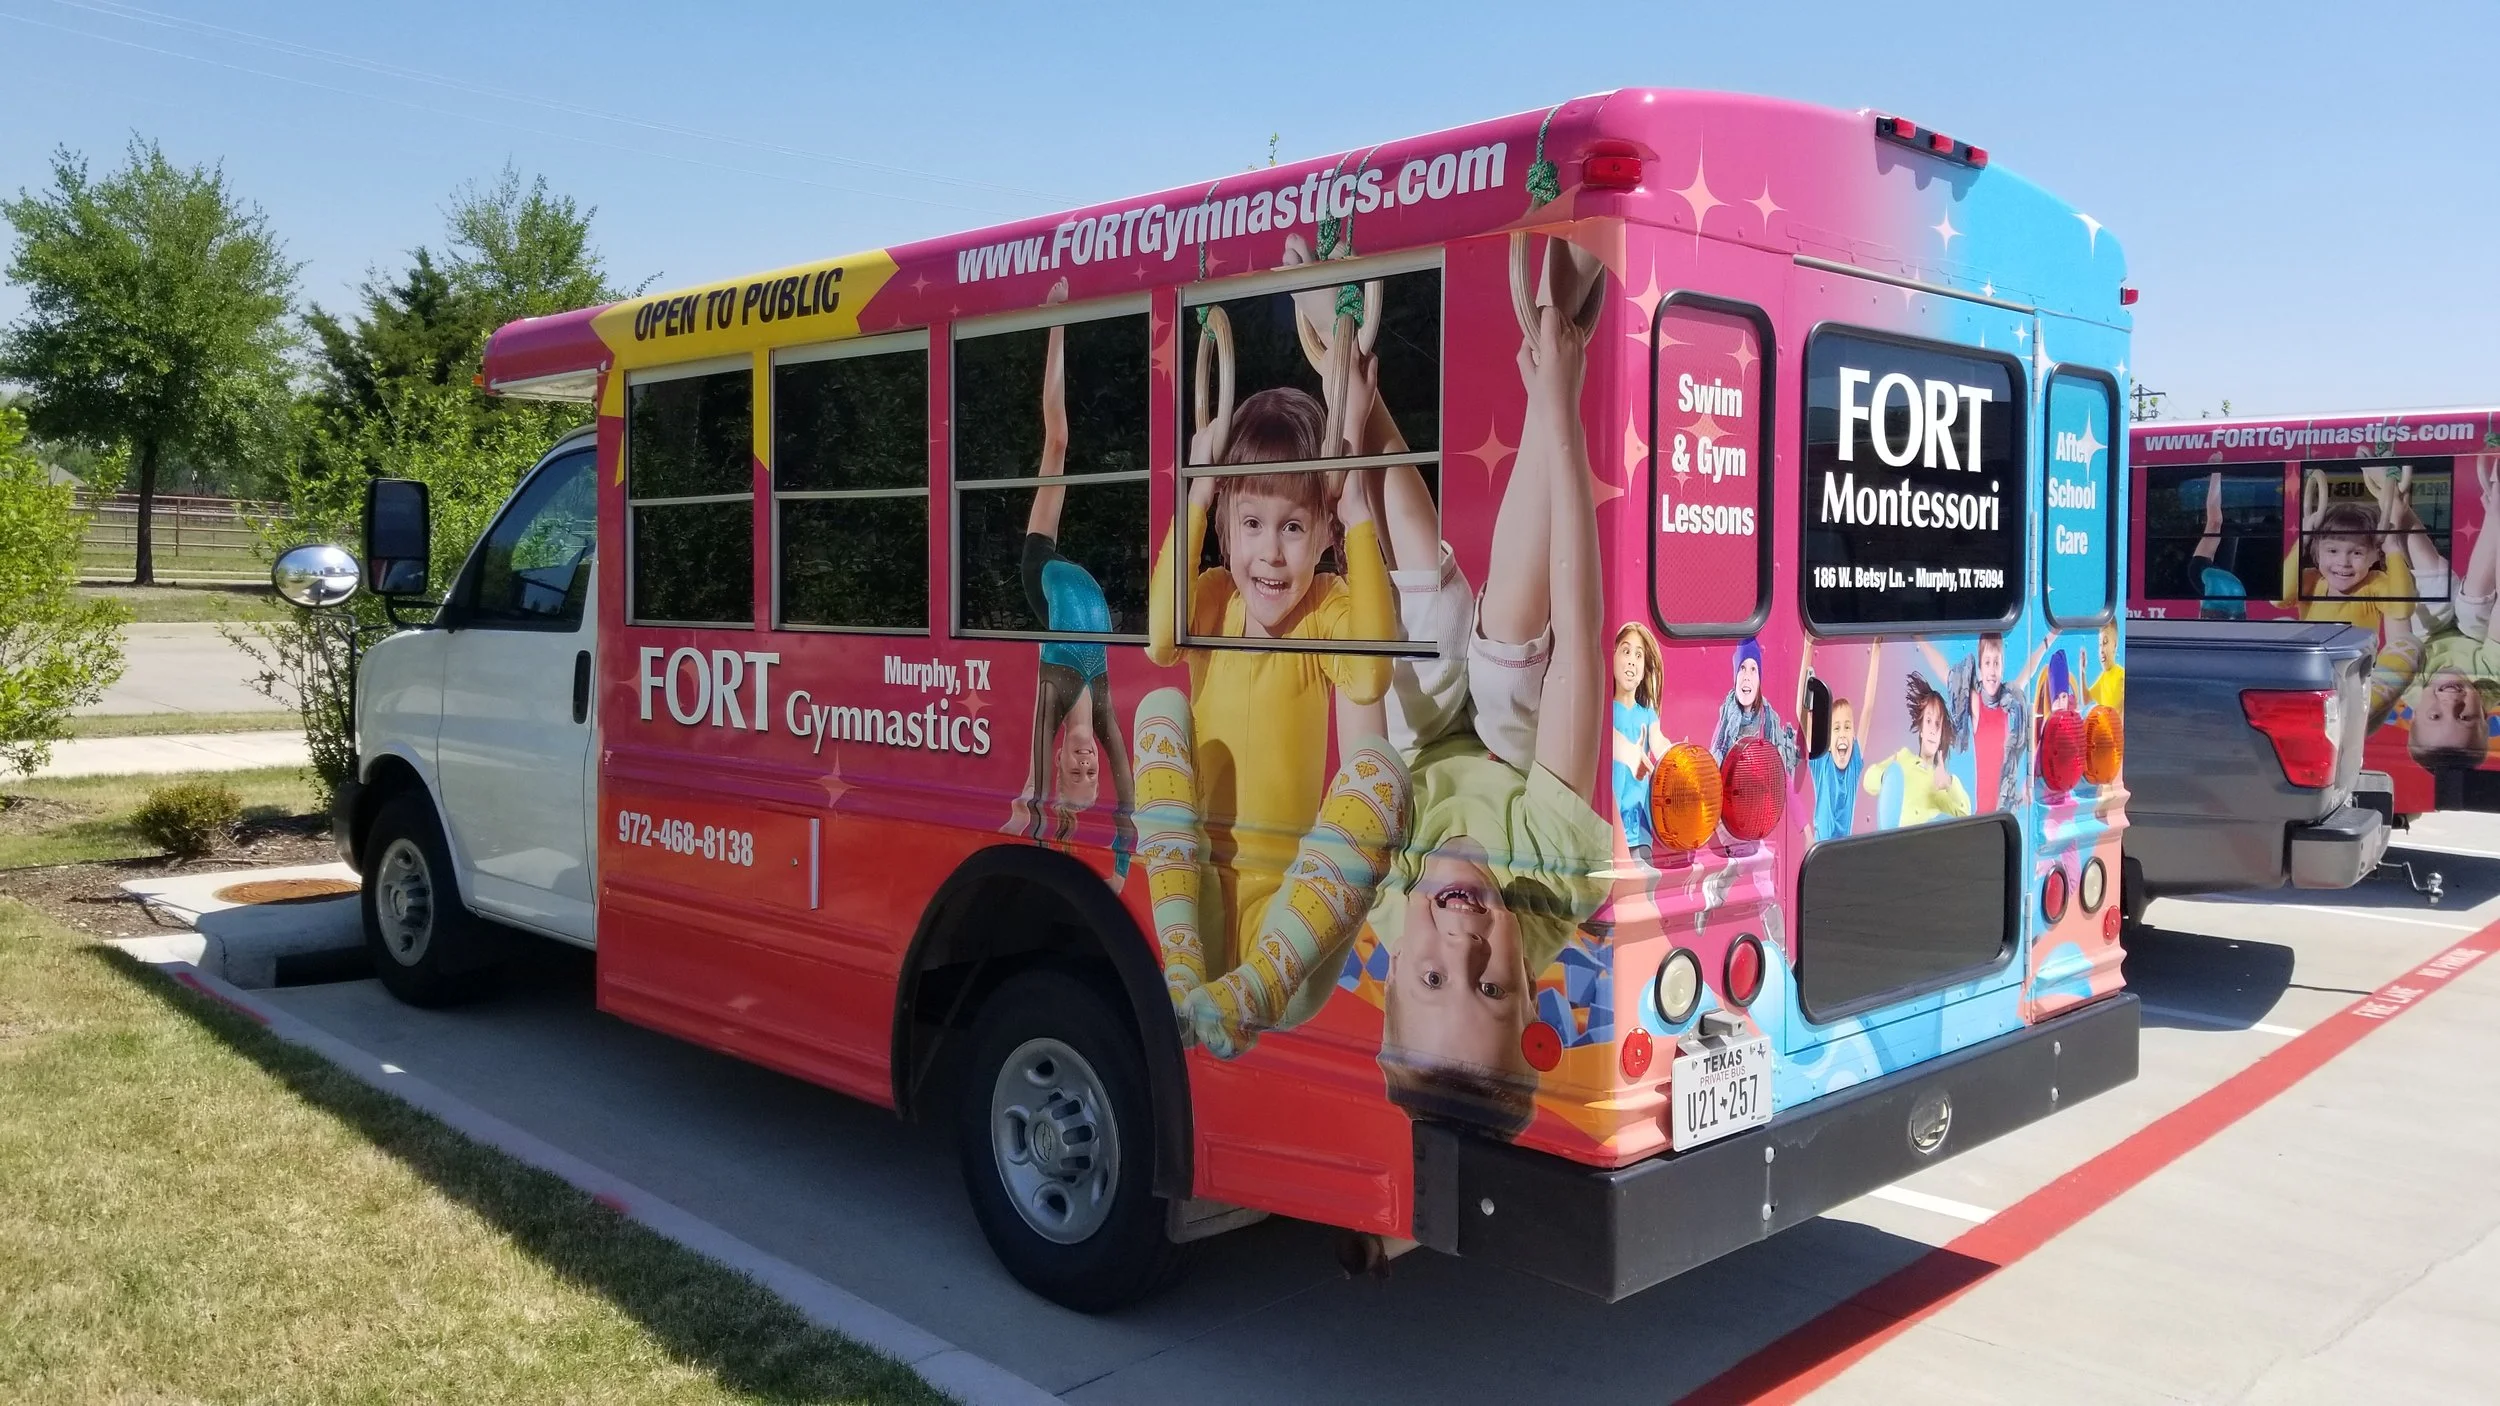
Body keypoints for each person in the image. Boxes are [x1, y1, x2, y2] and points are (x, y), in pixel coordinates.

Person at [1134, 262, 1404, 1039]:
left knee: (1381, 774)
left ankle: (1251, 988)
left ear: (1321, 535)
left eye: (1294, 527)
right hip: (1203, 913)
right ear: (1226, 531)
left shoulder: (1327, 614)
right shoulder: (1212, 599)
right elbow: (1159, 641)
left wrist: (1356, 513)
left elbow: (1371, 668)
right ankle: (1186, 974)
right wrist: (1196, 491)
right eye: (1252, 525)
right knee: (1159, 704)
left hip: (1295, 930)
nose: (1272, 556)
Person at [1008, 288, 1136, 876]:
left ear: (1060, 758)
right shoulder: (1106, 716)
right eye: (1094, 772)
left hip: (1043, 573)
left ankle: (1055, 322)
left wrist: (1031, 815)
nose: (1088, 764)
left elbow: (1031, 792)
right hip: (1085, 586)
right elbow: (1129, 806)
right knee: (1064, 442)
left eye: (1076, 771)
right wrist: (1117, 874)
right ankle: (1060, 320)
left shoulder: (1052, 702)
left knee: (1055, 442)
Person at [2277, 469, 2419, 647]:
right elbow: (2279, 600)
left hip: (2356, 669)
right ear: (2317, 553)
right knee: (2282, 622)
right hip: (2315, 664)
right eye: (2332, 551)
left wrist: (2393, 550)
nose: (2343, 563)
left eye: (2357, 553)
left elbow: (2402, 609)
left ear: (2374, 555)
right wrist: (2302, 541)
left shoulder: (2374, 585)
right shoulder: (2311, 580)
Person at [1865, 671, 1971, 826]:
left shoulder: (1937, 782)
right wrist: (1886, 776)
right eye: (1928, 721)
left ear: (1941, 735)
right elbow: (1868, 782)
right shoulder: (1902, 757)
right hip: (1889, 842)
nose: (1933, 730)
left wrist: (1949, 782)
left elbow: (1965, 812)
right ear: (1921, 729)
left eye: (1937, 724)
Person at [1802, 640, 1882, 843]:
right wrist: (1808, 648)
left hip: (1842, 849)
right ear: (1827, 741)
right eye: (1836, 728)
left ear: (1854, 734)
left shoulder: (1854, 762)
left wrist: (1876, 651)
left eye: (1847, 727)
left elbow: (1868, 708)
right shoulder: (1821, 762)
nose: (1843, 733)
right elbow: (1801, 712)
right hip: (1820, 849)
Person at [1609, 621, 1670, 863]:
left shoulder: (1647, 715)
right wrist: (1631, 754)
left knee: (1643, 892)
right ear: (1612, 657)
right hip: (1609, 828)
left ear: (1644, 669)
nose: (1632, 661)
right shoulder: (1604, 711)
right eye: (1626, 651)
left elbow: (1658, 741)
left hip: (1640, 830)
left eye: (1639, 655)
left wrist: (1674, 753)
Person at [1710, 638, 1798, 774]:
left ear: (1758, 680)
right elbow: (1716, 759)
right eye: (1742, 668)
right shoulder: (1726, 719)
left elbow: (1788, 757)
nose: (1747, 677)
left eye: (1753, 670)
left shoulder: (1768, 719)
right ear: (1736, 677)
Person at [2188, 472, 2252, 620]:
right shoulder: (2204, 566)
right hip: (2209, 576)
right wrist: (2216, 470)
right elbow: (2215, 518)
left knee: (2215, 522)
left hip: (2204, 572)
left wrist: (2216, 471)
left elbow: (2215, 519)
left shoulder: (2202, 565)